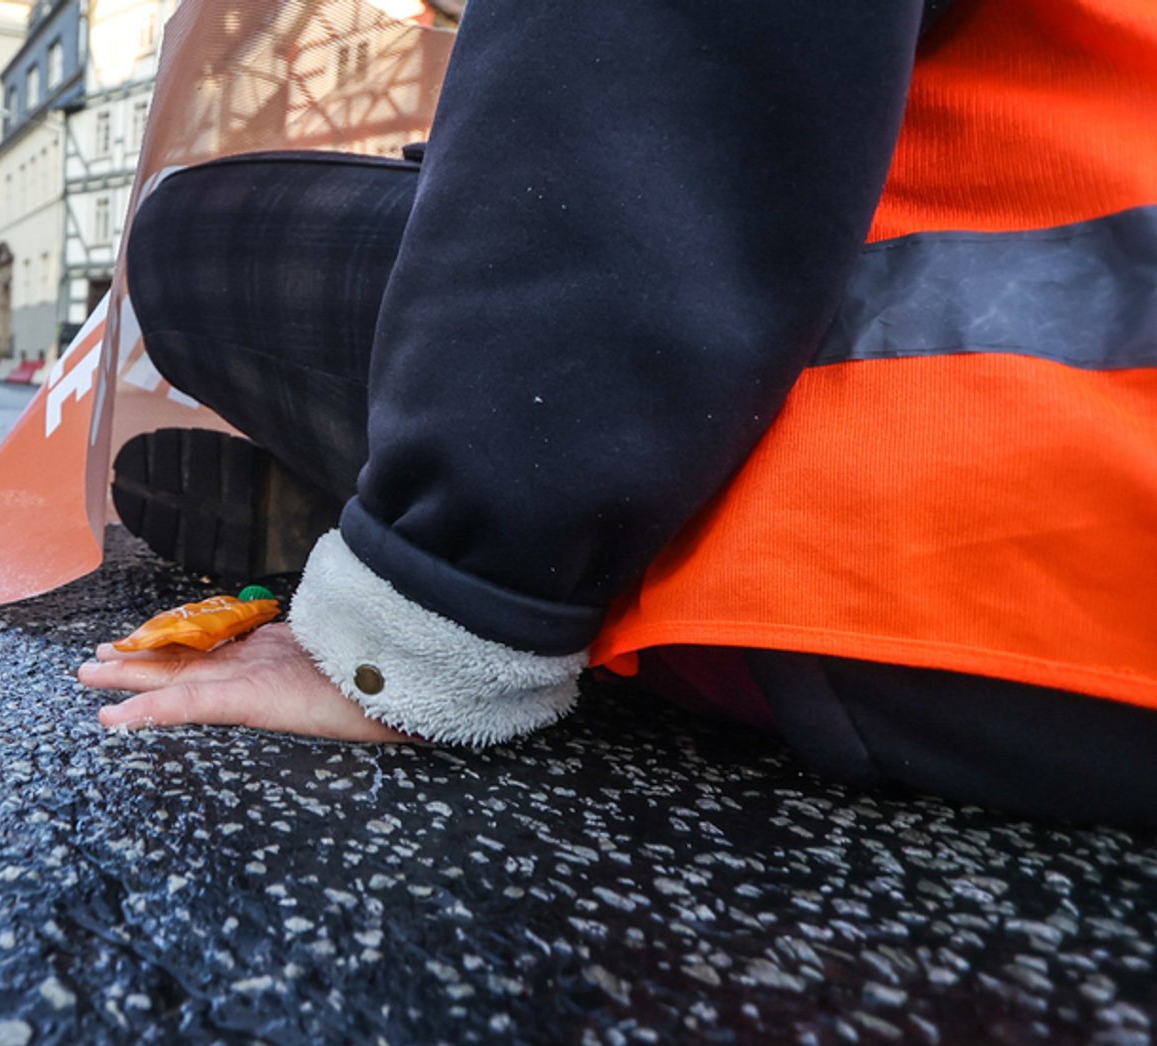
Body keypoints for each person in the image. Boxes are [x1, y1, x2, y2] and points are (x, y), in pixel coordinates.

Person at [76, 0, 1157, 825]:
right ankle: (419, 508)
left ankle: (426, 537)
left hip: (982, 517)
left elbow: (675, 72)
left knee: (196, 237)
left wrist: (416, 621)